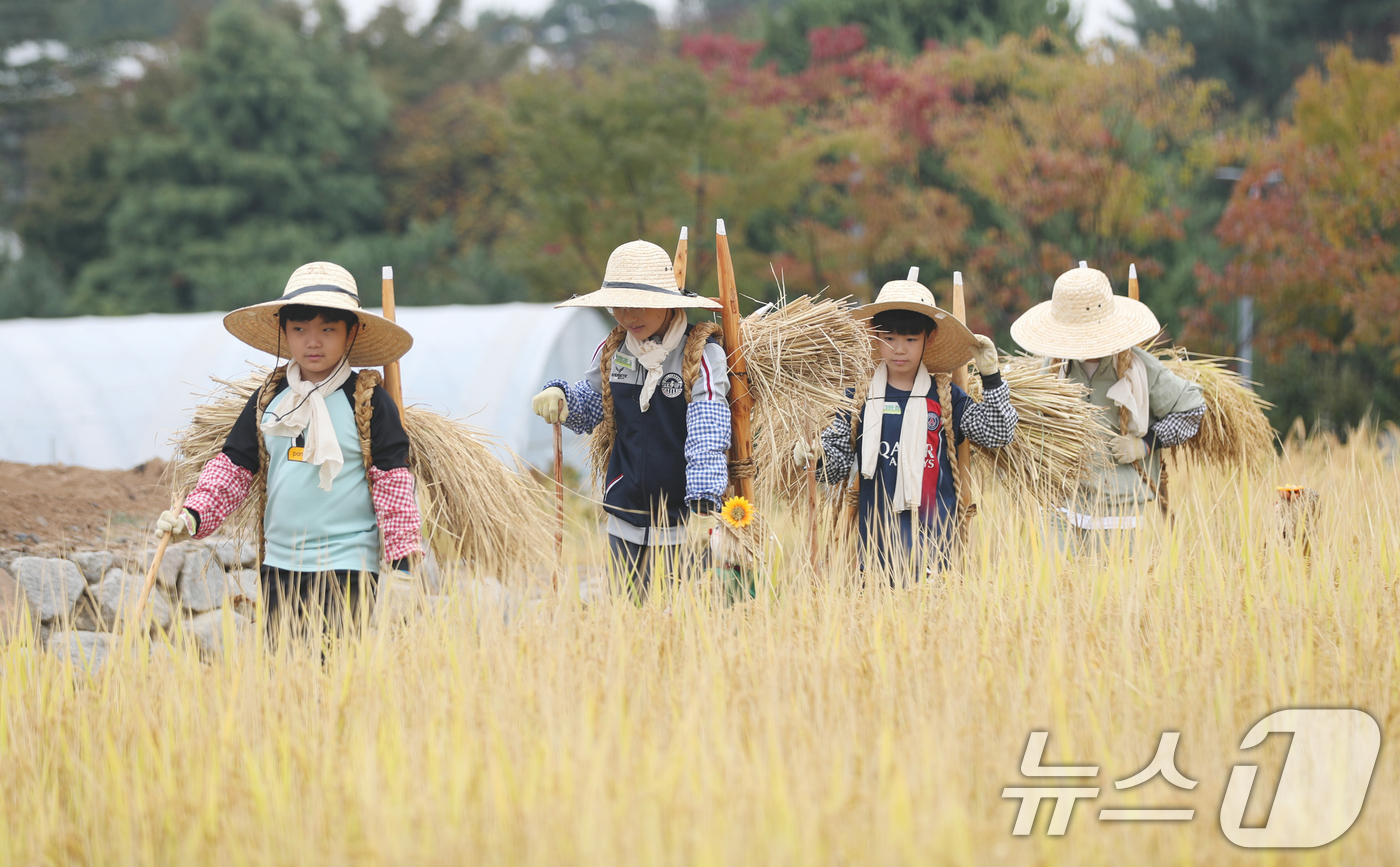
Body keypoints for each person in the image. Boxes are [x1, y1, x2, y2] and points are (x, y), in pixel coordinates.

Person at [155, 261, 423, 635]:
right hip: (281, 563)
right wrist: (193, 516)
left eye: (328, 329)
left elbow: (393, 483)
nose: (313, 342)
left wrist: (402, 562)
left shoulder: (369, 401)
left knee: (338, 668)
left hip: (349, 563)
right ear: (284, 331)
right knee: (285, 673)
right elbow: (234, 466)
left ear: (352, 333)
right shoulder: (269, 400)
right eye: (300, 330)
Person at [531, 240, 730, 602]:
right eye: (618, 305)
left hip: (683, 517)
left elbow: (708, 429)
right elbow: (591, 403)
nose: (627, 316)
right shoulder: (614, 351)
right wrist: (561, 397)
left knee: (679, 617)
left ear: (666, 303)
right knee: (628, 616)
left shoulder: (702, 355)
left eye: (638, 304)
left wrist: (704, 499)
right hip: (623, 511)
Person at [797, 276, 1018, 579]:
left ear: (930, 338)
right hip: (875, 551)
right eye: (890, 338)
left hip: (937, 551)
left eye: (911, 340)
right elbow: (835, 467)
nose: (899, 349)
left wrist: (992, 378)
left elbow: (998, 433)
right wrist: (815, 455)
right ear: (875, 337)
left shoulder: (946, 398)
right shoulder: (858, 397)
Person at [1009, 264, 1205, 548]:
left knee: (1111, 590)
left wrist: (1146, 443)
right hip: (1061, 501)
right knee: (1055, 587)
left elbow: (1192, 410)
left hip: (1118, 507)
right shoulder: (1053, 367)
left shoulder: (1139, 367)